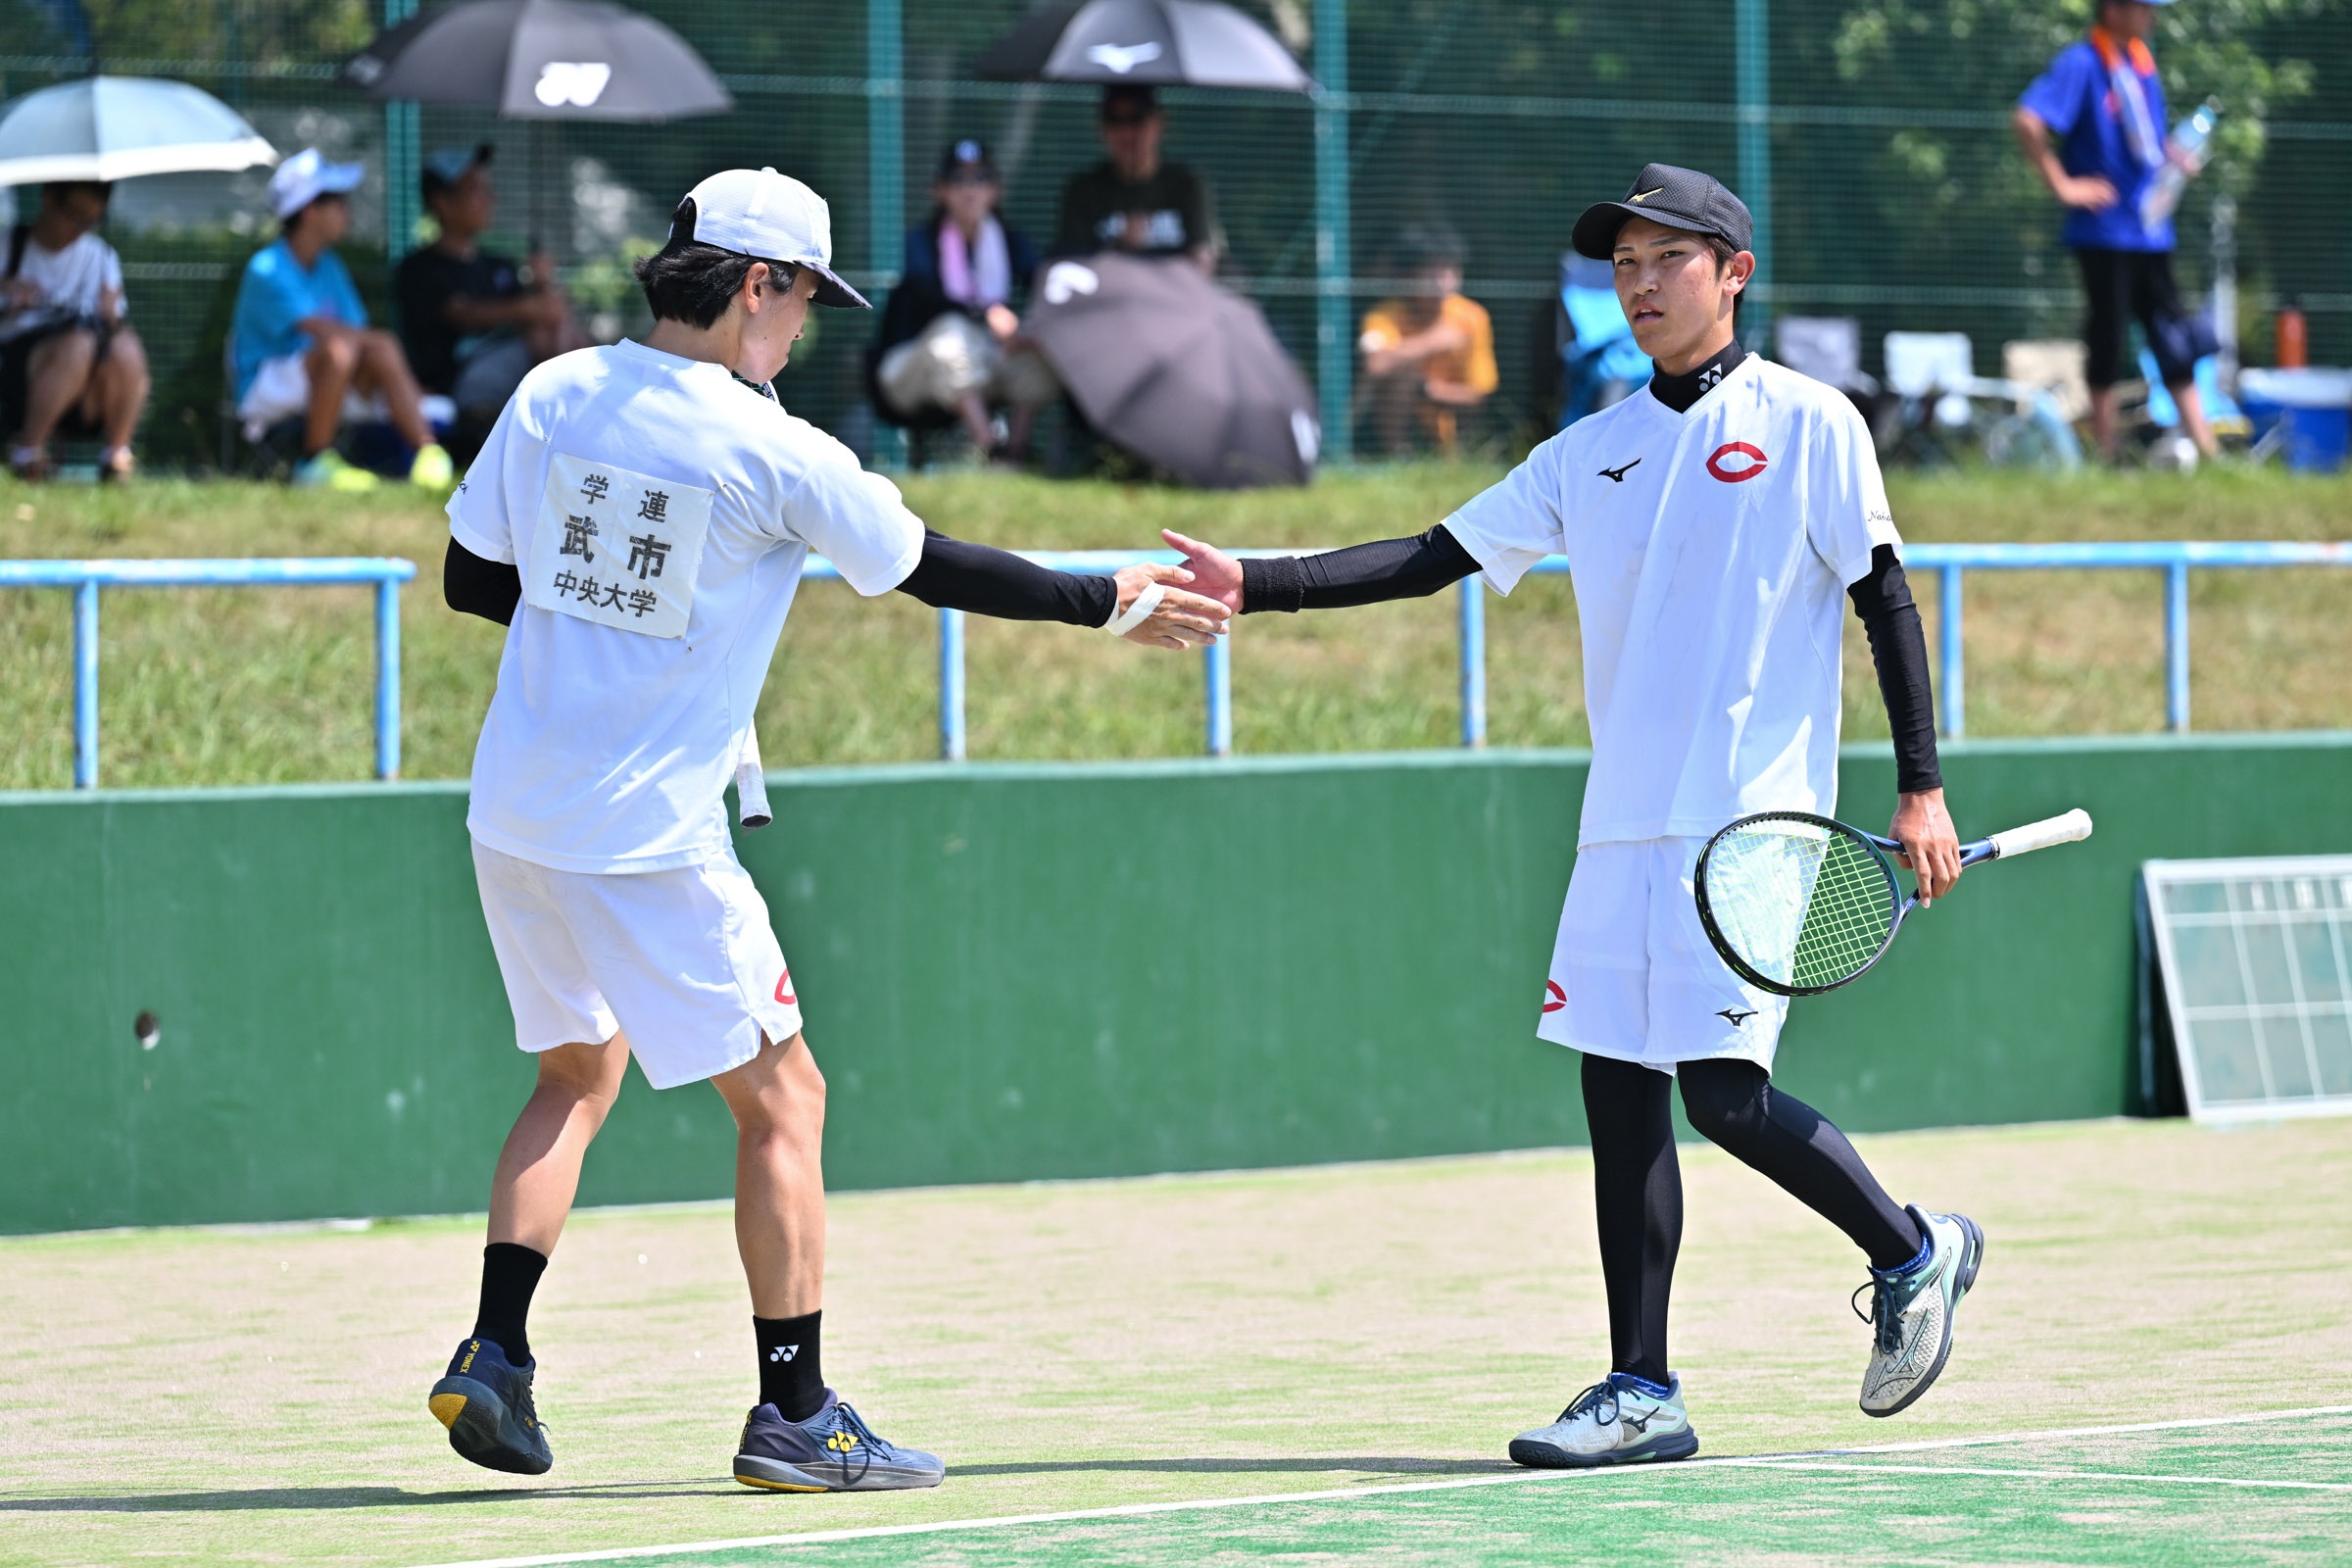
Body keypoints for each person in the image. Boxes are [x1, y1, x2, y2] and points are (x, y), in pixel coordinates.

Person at [1160, 164, 1984, 1469]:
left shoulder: (1813, 422)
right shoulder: (1589, 449)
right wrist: (1257, 583)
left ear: (1734, 274)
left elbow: (1883, 597)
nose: (1640, 284)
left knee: (1723, 1096)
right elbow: (1429, 557)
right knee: (1617, 1092)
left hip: (1750, 825)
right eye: (1624, 265)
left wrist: (1921, 786)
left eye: (1669, 260)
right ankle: (1642, 1388)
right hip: (1621, 829)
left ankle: (1912, 1248)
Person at [432, 166, 1229, 1493]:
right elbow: (933, 567)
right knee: (786, 1099)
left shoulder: (556, 390)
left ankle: (496, 1352)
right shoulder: (775, 449)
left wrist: (614, 629)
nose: (805, 326)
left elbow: (473, 577)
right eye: (804, 297)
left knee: (575, 1076)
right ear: (757, 286)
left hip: (514, 812)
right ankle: (795, 1414)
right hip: (648, 839)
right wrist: (1108, 599)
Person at [2014, 0, 2216, 464]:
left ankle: (2205, 447)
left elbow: (2144, 140)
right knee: (2108, 334)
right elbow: (2028, 120)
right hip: (2104, 230)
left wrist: (2174, 155)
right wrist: (2063, 185)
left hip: (2151, 229)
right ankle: (2107, 453)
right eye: (2144, 7)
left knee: (2173, 335)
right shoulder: (2082, 62)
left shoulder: (2140, 64)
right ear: (2112, 9)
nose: (2153, 16)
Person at [228, 148, 455, 493]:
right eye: (338, 202)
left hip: (328, 375)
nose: (347, 211)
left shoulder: (330, 264)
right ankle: (314, 462)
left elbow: (357, 333)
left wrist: (398, 378)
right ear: (309, 211)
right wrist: (383, 348)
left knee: (375, 350)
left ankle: (428, 452)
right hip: (264, 387)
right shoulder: (267, 268)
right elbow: (328, 333)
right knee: (344, 349)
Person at [871, 139, 1058, 461]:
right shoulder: (921, 242)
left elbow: (1043, 286)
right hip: (911, 367)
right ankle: (991, 451)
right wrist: (988, 314)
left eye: (981, 179)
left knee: (1038, 351)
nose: (970, 190)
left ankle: (1016, 454)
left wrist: (1024, 332)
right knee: (951, 335)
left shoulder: (1010, 241)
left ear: (995, 189)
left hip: (985, 356)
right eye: (958, 180)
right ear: (940, 191)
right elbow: (929, 299)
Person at [396, 145, 584, 426]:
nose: (488, 200)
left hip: (514, 370)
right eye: (475, 191)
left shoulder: (499, 265)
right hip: (456, 380)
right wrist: (526, 308)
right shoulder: (419, 268)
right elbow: (462, 314)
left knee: (556, 332)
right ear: (442, 202)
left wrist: (545, 285)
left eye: (487, 190)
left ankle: (577, 409)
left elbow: (546, 316)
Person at [0, 180, 148, 481]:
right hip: (18, 367)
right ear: (49, 199)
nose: (81, 228)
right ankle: (29, 454)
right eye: (75, 215)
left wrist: (111, 314)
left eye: (92, 220)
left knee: (127, 347)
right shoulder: (8, 245)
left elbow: (114, 323)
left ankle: (116, 457)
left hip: (87, 377)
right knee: (77, 345)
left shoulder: (101, 256)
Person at [1356, 221, 1496, 457]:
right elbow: (1375, 364)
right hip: (1397, 416)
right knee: (1400, 377)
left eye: (1451, 272)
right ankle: (1397, 457)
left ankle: (1457, 455)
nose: (1444, 283)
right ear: (1407, 276)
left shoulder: (1473, 318)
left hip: (1450, 416)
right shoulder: (1382, 316)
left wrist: (1428, 391)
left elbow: (1478, 392)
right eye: (1433, 273)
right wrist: (1433, 341)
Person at [1054, 85, 1217, 270]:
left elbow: (1202, 258)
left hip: (1171, 288)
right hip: (1109, 288)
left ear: (1159, 123)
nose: (1126, 132)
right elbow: (1071, 266)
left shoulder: (1185, 185)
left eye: (1137, 119)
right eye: (1115, 120)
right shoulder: (1083, 189)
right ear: (1101, 128)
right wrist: (1120, 246)